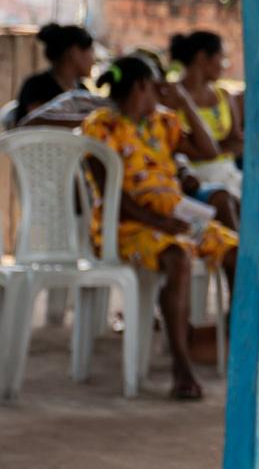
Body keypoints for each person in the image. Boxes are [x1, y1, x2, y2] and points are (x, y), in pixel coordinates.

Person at [80, 55, 238, 400]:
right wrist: (159, 222)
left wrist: (184, 102)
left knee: (236, 251)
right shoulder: (101, 126)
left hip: (175, 220)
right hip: (126, 227)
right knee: (177, 257)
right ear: (142, 86)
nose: (162, 93)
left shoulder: (162, 122)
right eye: (157, 86)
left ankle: (231, 336)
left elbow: (208, 150)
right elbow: (110, 193)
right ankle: (181, 365)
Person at [170, 30, 243, 229]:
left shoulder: (223, 96)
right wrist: (215, 149)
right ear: (202, 58)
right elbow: (174, 145)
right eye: (221, 58)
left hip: (227, 171)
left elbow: (238, 142)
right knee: (227, 202)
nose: (224, 65)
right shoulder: (172, 96)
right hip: (191, 175)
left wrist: (205, 147)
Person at [13, 23, 95, 124]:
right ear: (74, 52)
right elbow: (37, 125)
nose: (93, 60)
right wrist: (88, 121)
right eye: (90, 51)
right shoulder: (36, 87)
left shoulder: (82, 90)